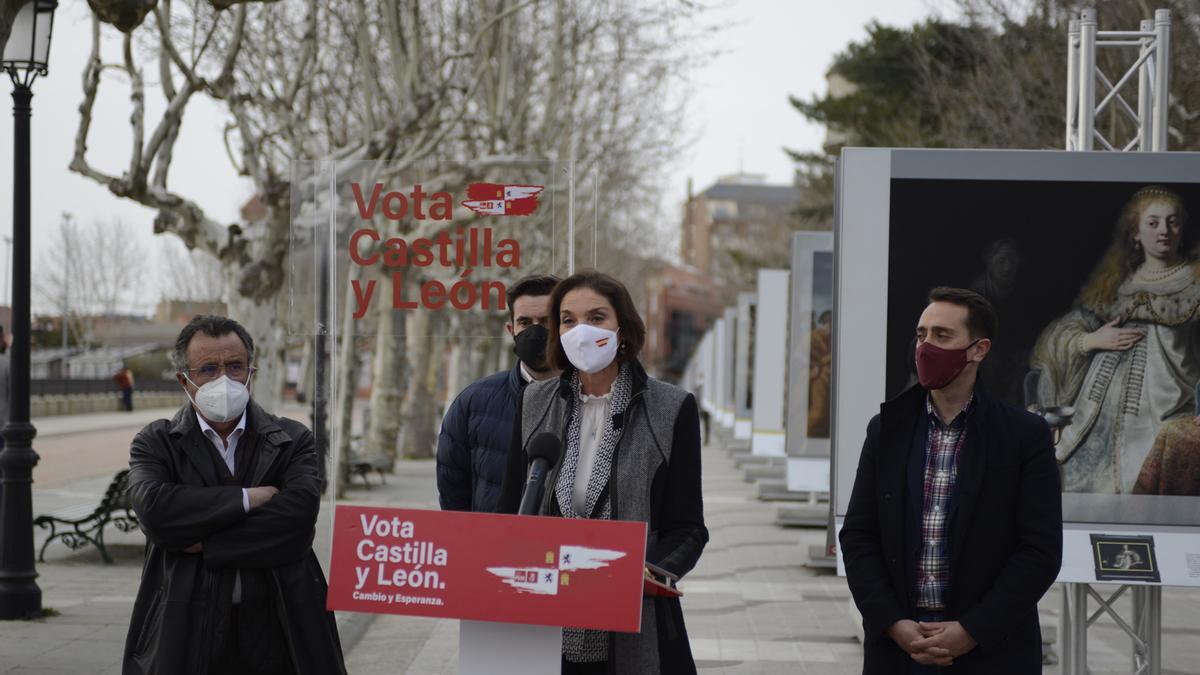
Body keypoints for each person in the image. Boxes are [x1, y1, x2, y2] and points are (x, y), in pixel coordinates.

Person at [840, 287, 1062, 674]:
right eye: (921, 335)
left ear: (979, 349)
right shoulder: (887, 430)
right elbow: (859, 535)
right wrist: (893, 623)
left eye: (942, 336)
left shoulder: (1024, 436)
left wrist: (972, 630)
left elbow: (1040, 551)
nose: (926, 347)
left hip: (992, 650)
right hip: (901, 650)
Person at [496, 270, 708, 674]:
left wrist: (640, 574)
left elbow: (689, 529)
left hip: (635, 625)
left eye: (596, 317)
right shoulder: (534, 402)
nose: (581, 331)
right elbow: (509, 513)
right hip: (547, 626)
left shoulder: (671, 409)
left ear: (623, 328)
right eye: (569, 320)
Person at [123, 315, 345, 675]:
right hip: (186, 624)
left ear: (251, 372)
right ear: (185, 380)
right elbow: (156, 512)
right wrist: (247, 499)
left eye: (235, 366)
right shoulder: (156, 442)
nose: (224, 380)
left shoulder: (292, 439)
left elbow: (298, 522)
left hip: (282, 620)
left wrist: (206, 544)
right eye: (208, 369)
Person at [1032, 185, 1198, 494]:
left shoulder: (1195, 281)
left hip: (1164, 412)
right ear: (1135, 232)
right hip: (1093, 415)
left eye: (1173, 221)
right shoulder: (1117, 283)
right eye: (1153, 222)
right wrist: (1093, 340)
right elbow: (1062, 334)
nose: (1164, 230)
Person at [436, 274, 561, 512]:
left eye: (546, 321)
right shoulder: (472, 403)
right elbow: (453, 499)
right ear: (511, 329)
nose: (536, 331)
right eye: (525, 322)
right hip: (491, 546)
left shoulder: (594, 400)